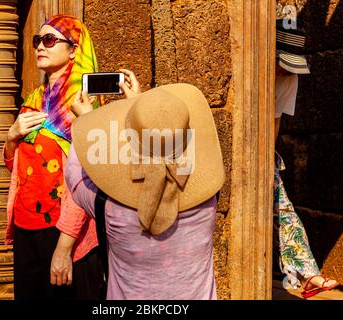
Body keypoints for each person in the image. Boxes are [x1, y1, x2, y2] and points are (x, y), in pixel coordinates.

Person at [66, 83, 226, 299]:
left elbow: (75, 176)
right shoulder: (209, 197)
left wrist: (86, 123)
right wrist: (147, 115)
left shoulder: (107, 205)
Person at [3, 15, 106, 300]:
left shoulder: (84, 105)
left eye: (49, 40)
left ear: (74, 49)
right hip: (26, 226)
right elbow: (16, 166)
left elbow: (86, 178)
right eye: (38, 40)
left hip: (65, 231)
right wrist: (11, 137)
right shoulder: (34, 99)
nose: (40, 47)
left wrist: (64, 247)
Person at [274, 19, 338, 299]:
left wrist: (266, 162)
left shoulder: (289, 78)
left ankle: (307, 272)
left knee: (282, 208)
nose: (285, 69)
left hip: (260, 150)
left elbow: (273, 123)